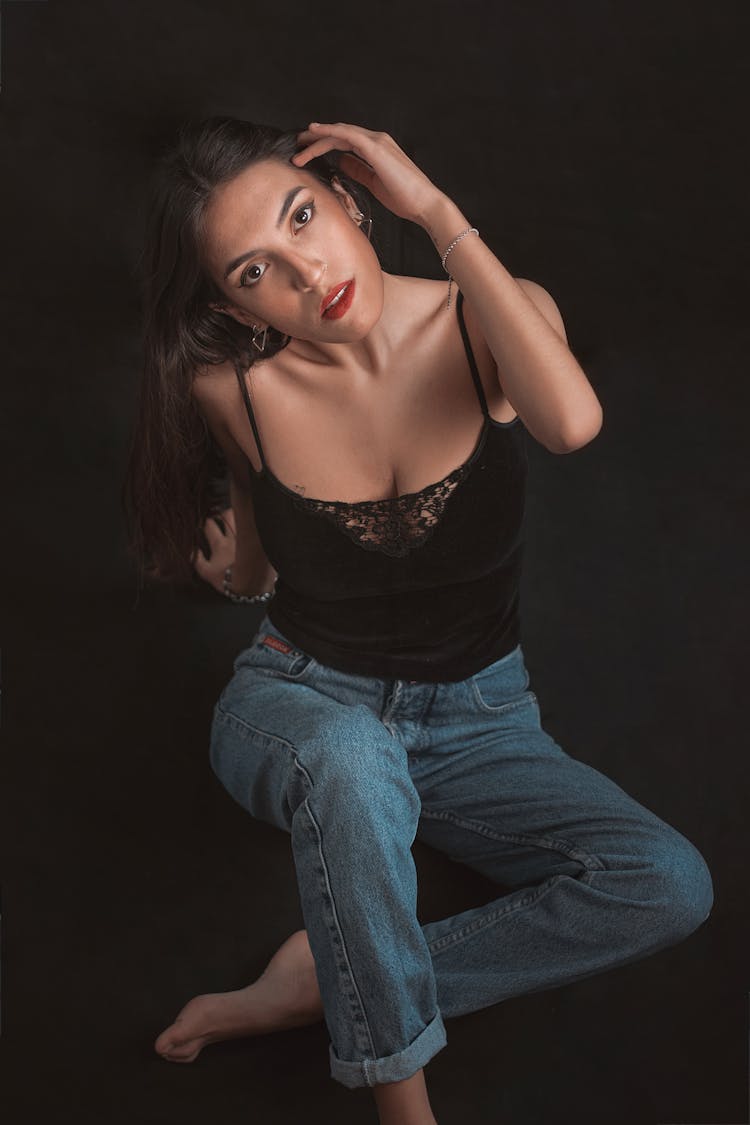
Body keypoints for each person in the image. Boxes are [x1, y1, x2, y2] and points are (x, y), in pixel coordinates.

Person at [124, 116, 713, 1125]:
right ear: (229, 302)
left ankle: (328, 977)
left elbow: (572, 423)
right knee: (351, 756)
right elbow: (265, 562)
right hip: (303, 700)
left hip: (480, 721)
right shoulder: (233, 391)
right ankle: (405, 1109)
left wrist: (435, 211)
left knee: (666, 883)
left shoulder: (492, 319)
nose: (306, 274)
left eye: (304, 216)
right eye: (255, 271)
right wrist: (232, 574)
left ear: (355, 197)